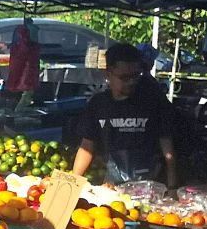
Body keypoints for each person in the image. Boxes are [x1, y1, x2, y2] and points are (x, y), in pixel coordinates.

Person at [72, 43, 178, 187]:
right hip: (111, 187)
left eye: (135, 76)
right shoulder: (98, 104)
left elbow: (168, 149)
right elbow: (87, 146)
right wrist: (71, 184)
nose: (131, 82)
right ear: (108, 74)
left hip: (149, 186)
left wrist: (172, 186)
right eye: (124, 77)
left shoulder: (154, 102)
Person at [3, 18, 41, 113]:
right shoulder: (28, 36)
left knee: (23, 79)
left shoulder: (22, 35)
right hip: (26, 64)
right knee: (24, 80)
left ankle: (20, 107)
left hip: (25, 64)